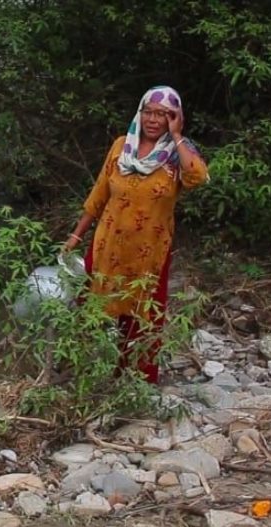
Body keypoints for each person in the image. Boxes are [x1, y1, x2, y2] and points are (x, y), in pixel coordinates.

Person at [63, 85, 209, 384]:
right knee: (90, 307)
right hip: (107, 244)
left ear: (175, 117)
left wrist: (178, 136)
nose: (154, 120)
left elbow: (198, 177)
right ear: (140, 113)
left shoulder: (177, 154)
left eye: (164, 114)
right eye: (149, 112)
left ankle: (134, 381)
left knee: (142, 315)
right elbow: (99, 194)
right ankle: (79, 375)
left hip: (149, 252)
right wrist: (76, 236)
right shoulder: (121, 146)